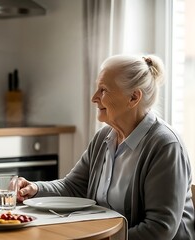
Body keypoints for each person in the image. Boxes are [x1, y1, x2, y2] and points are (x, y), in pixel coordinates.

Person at [17, 54, 195, 239]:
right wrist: (34, 189)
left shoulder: (165, 146)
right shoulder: (104, 137)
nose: (94, 98)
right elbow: (73, 186)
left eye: (103, 90)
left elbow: (159, 229)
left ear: (134, 97)